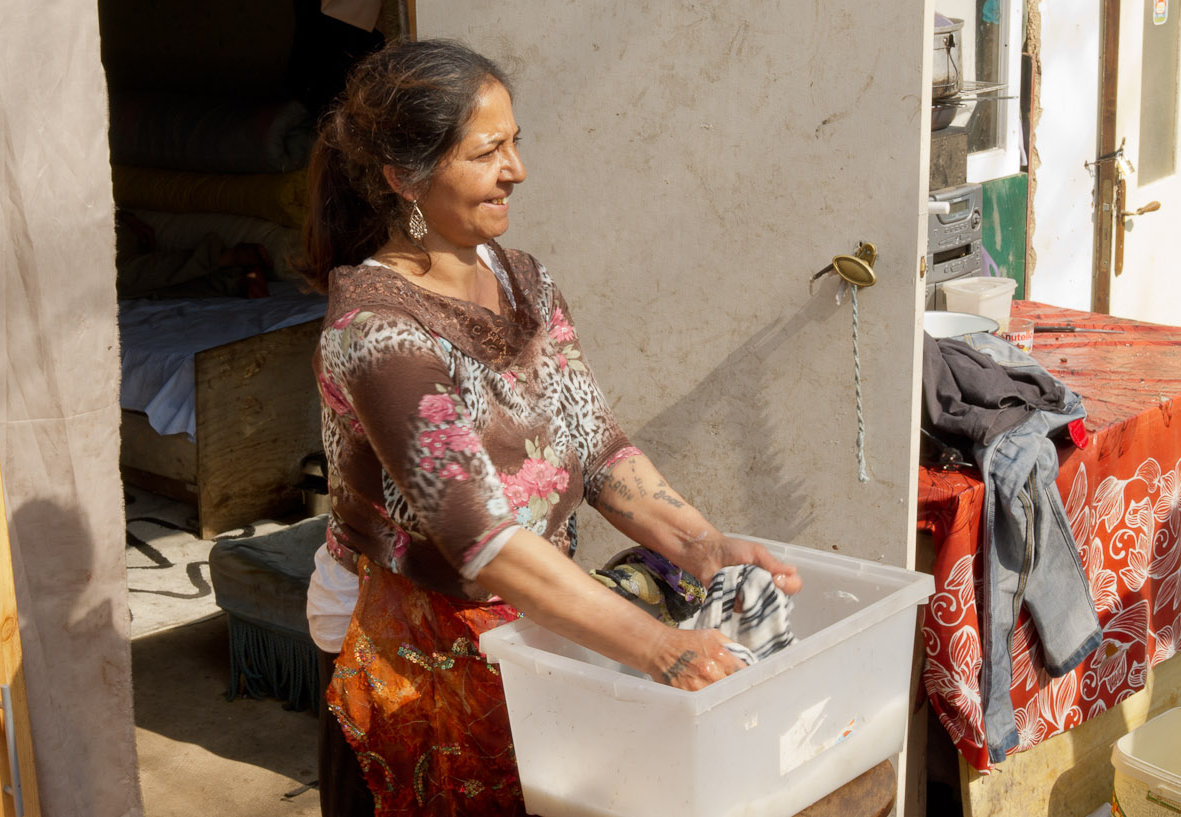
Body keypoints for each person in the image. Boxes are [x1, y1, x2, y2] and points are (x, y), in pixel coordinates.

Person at [298, 40, 803, 817]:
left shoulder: (521, 279)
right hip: (423, 652)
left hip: (534, 635)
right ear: (405, 177)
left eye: (516, 141)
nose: (517, 169)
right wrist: (659, 647)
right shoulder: (379, 333)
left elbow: (597, 446)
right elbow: (482, 542)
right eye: (487, 150)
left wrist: (702, 546)